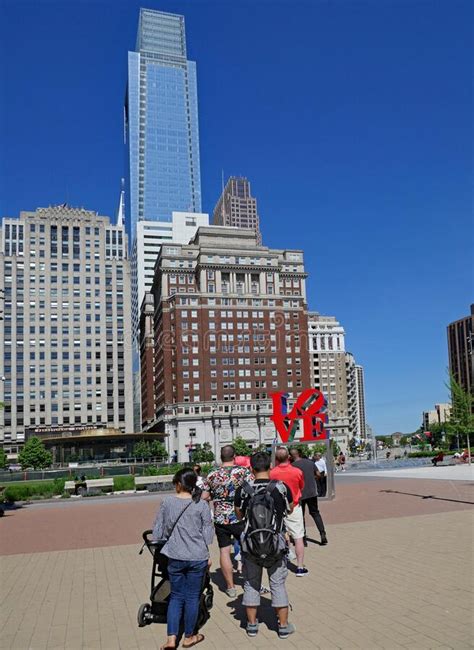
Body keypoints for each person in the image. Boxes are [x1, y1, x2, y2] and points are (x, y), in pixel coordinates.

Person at [235, 452, 296, 640]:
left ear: (251, 469)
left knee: (251, 583)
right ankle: (283, 626)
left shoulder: (243, 489)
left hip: (251, 545)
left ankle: (252, 625)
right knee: (277, 584)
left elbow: (239, 515)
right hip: (276, 544)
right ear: (270, 467)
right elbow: (290, 508)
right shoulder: (281, 487)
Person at [152, 468, 213, 650]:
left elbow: (158, 531)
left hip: (175, 556)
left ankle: (171, 640)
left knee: (176, 597)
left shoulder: (167, 502)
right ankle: (189, 636)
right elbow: (208, 536)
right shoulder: (201, 505)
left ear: (178, 484)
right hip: (197, 557)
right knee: (192, 597)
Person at [202, 445, 252, 597]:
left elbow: (204, 496)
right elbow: (251, 491)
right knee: (247, 549)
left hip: (220, 517)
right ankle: (250, 582)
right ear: (234, 456)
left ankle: (230, 587)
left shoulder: (211, 474)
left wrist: (216, 497)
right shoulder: (243, 472)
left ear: (221, 457)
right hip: (240, 516)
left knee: (224, 550)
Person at [270, 447, 308, 576]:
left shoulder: (272, 473)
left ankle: (283, 562)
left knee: (281, 534)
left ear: (276, 459)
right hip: (294, 507)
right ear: (289, 457)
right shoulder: (297, 471)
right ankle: (300, 567)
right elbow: (301, 486)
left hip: (277, 508)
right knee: (298, 537)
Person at [290, 448, 327, 546]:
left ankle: (303, 539)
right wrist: (313, 478)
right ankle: (322, 534)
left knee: (301, 516)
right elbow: (318, 474)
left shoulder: (292, 466)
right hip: (312, 492)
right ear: (300, 454)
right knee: (315, 513)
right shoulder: (310, 463)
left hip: (300, 494)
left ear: (291, 456)